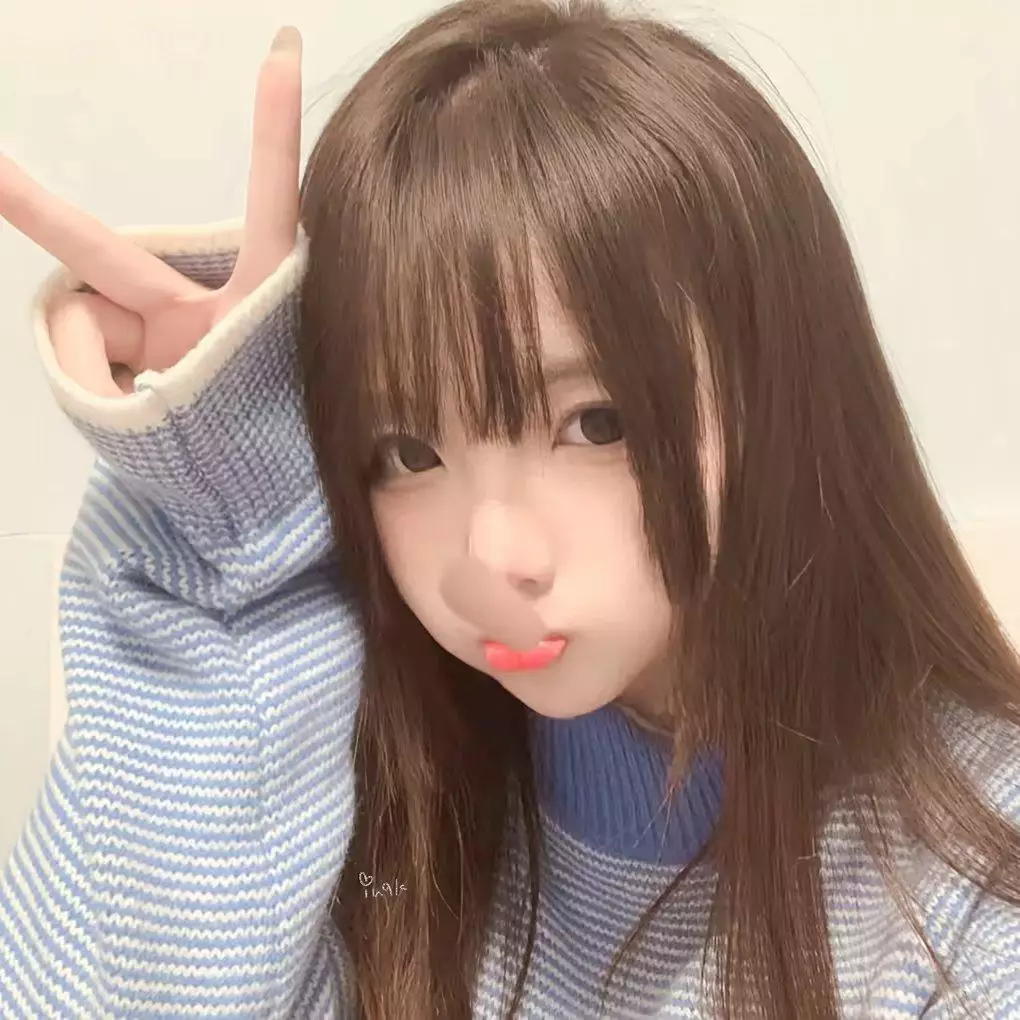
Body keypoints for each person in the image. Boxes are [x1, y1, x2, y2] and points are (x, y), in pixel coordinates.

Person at [2, 1, 1019, 1017]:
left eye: (596, 423)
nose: (491, 559)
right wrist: (229, 513)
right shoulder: (362, 800)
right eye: (408, 452)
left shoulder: (964, 893)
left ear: (786, 391)